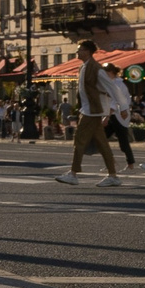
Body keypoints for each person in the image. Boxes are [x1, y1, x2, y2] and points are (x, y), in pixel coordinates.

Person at [56, 41, 127, 187]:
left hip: (92, 111)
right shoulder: (84, 67)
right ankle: (113, 176)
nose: (77, 52)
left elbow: (112, 87)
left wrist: (123, 107)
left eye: (80, 50)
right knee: (102, 144)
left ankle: (73, 174)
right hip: (89, 109)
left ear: (87, 51)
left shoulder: (96, 69)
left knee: (79, 140)